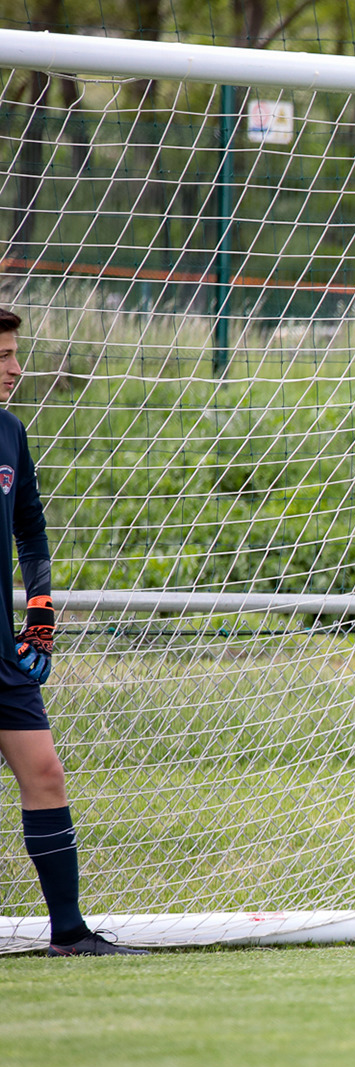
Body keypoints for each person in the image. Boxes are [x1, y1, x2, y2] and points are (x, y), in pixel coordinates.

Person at [0, 307, 147, 955]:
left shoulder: (10, 432)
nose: (16, 368)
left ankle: (69, 933)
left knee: (46, 773)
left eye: (15, 352)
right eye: (3, 356)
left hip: (3, 655)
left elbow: (30, 528)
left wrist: (40, 612)